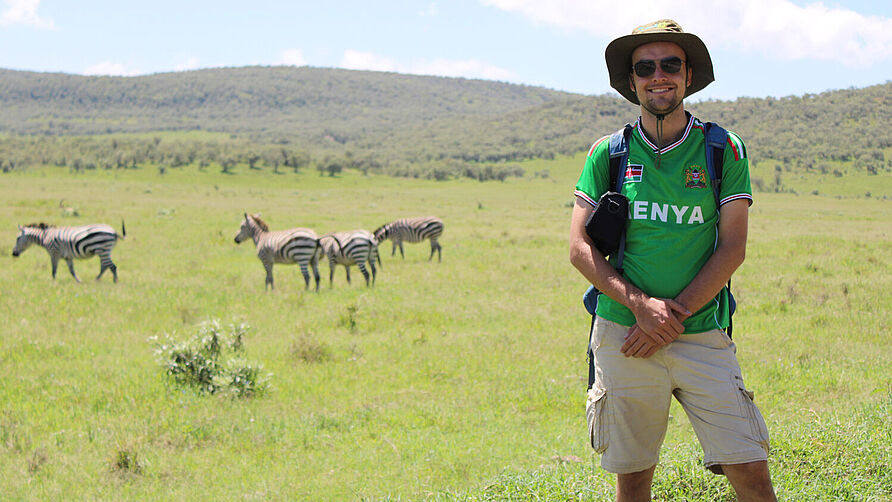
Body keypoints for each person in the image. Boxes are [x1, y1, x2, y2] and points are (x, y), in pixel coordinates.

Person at [568, 19, 777, 501]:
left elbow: (733, 248)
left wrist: (667, 317)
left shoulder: (722, 149)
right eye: (645, 67)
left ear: (688, 76)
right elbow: (579, 249)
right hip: (624, 335)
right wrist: (642, 307)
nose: (657, 75)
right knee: (634, 478)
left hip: (701, 331)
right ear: (632, 80)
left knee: (751, 470)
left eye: (670, 65)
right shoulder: (609, 153)